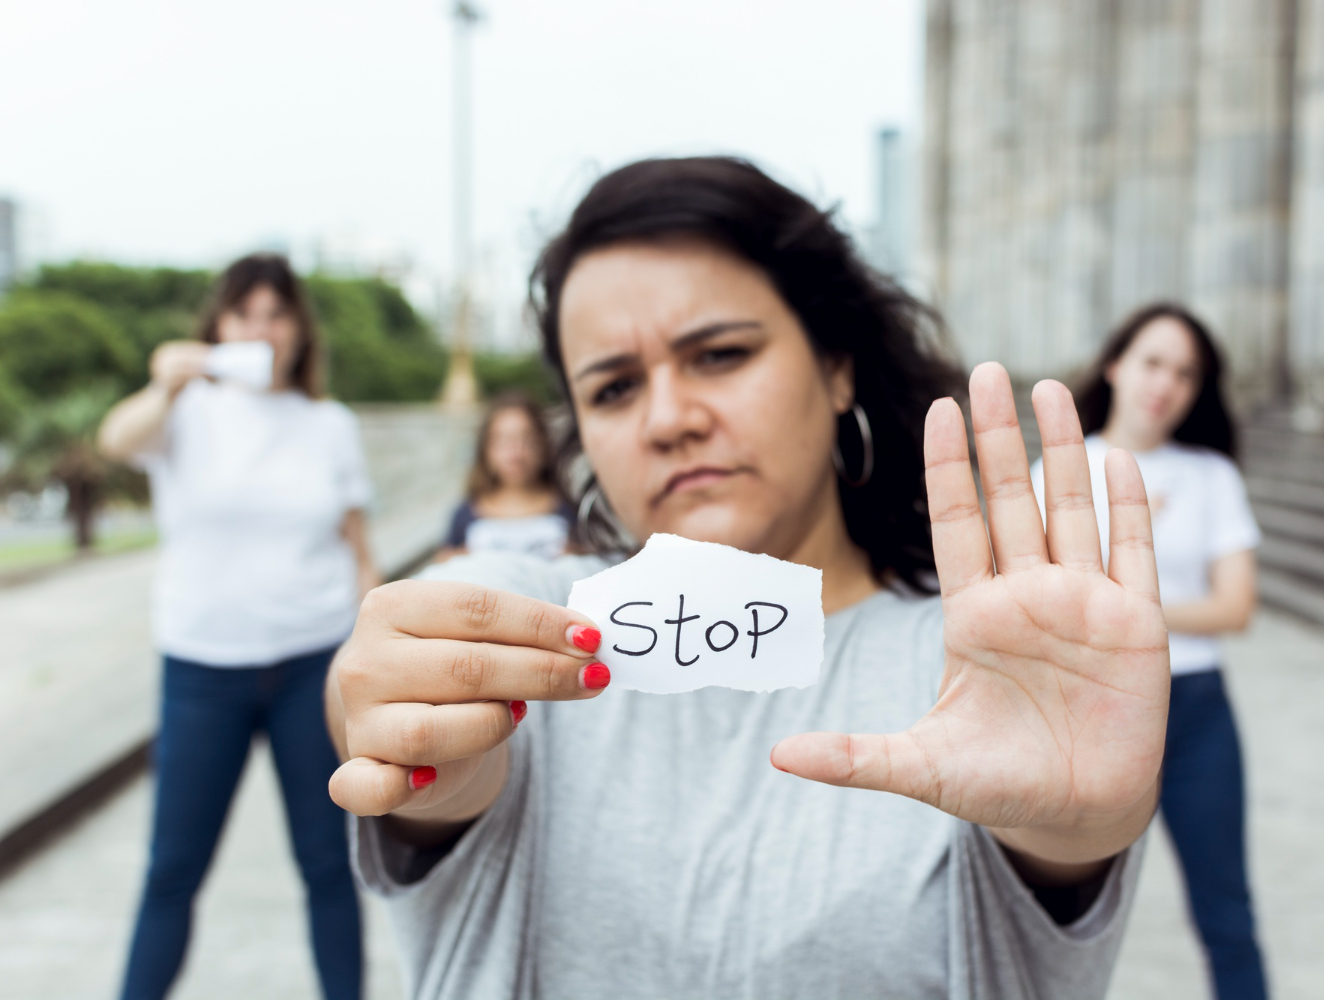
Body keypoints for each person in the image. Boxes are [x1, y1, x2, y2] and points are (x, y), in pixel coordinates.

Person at [325, 158, 1172, 999]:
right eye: (615, 387)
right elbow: (402, 695)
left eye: (720, 355)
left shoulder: (985, 659)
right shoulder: (540, 627)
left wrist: (1078, 829)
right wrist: (413, 732)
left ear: (837, 364)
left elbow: (1055, 844)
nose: (669, 419)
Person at [99, 253, 373, 1000]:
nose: (262, 328)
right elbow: (116, 441)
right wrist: (166, 382)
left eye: (276, 313)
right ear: (220, 325)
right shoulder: (184, 413)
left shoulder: (329, 423)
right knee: (172, 869)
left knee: (327, 864)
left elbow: (359, 551)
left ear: (298, 329)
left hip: (311, 664)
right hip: (203, 667)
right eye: (246, 313)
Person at [1034, 303, 1267, 1000]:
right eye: (1153, 362)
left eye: (1186, 373)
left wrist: (1121, 600)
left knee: (1226, 910)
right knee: (1058, 914)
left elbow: (1236, 606)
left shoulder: (1210, 476)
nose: (1165, 383)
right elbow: (1044, 605)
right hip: (1090, 707)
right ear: (1117, 365)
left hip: (1194, 709)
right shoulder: (1062, 473)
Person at [432, 393, 571, 563]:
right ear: (485, 449)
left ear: (544, 445)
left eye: (528, 440)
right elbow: (442, 569)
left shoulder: (571, 511)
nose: (516, 454)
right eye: (503, 441)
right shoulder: (464, 515)